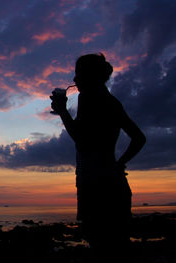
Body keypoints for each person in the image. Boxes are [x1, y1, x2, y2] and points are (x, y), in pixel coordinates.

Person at [50, 53, 146, 262]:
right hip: (112, 182)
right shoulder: (111, 101)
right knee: (117, 248)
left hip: (96, 185)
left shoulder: (90, 98)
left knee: (103, 249)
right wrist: (119, 164)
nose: (74, 80)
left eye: (78, 74)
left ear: (90, 75)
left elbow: (82, 140)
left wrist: (63, 112)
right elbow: (139, 138)